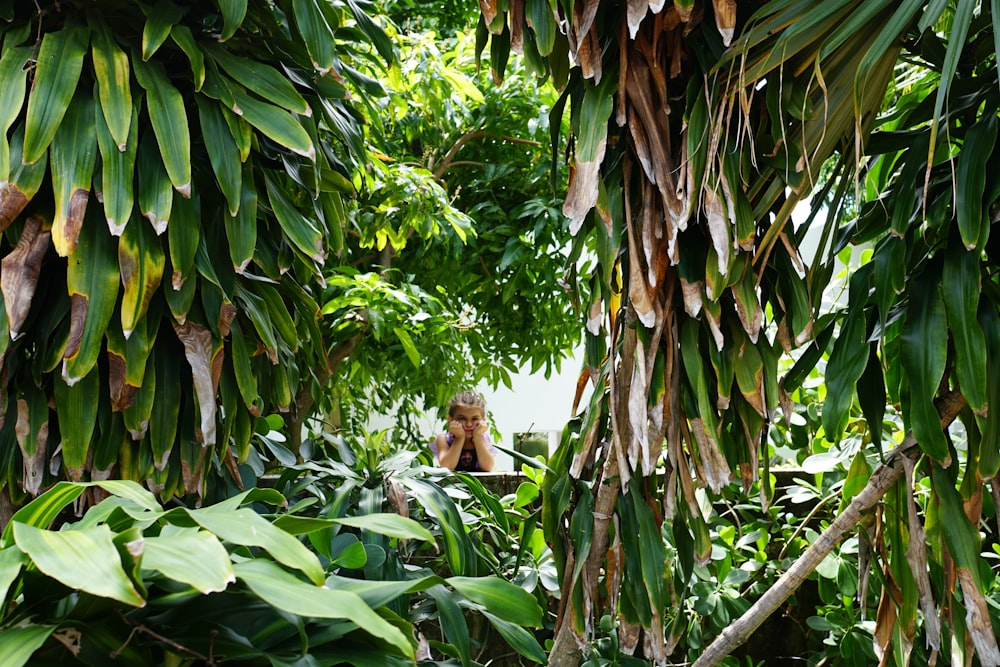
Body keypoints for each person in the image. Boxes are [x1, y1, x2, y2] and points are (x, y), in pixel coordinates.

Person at [430, 390, 496, 472]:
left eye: (474, 419)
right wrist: (460, 438)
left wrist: (478, 437)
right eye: (462, 418)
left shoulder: (483, 438)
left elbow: (487, 466)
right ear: (450, 419)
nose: (469, 424)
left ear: (483, 420)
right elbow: (446, 467)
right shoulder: (444, 440)